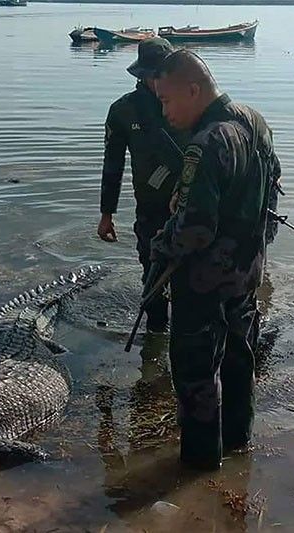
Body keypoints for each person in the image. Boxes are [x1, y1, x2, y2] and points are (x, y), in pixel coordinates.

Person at [150, 49, 281, 470]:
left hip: (204, 282)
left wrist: (160, 247)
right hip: (246, 273)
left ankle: (201, 463)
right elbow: (272, 188)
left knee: (195, 372)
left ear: (194, 89)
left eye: (167, 100)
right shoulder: (255, 120)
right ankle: (239, 441)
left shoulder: (205, 144)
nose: (164, 111)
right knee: (240, 358)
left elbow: (195, 229)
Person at [97, 37, 187, 333]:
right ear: (143, 75)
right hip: (150, 211)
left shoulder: (190, 103)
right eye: (154, 75)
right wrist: (107, 214)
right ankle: (154, 348)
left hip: (193, 208)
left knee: (193, 286)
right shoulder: (124, 111)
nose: (159, 82)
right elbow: (112, 165)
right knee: (153, 285)